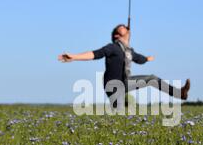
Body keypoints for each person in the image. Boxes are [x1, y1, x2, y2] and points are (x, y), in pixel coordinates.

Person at [58, 24, 191, 107]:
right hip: (113, 85)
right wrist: (74, 56)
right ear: (117, 35)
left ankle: (180, 93)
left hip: (126, 82)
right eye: (123, 28)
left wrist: (148, 59)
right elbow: (94, 54)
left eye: (126, 28)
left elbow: (139, 59)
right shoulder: (112, 47)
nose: (126, 28)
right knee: (118, 115)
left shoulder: (129, 51)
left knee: (152, 79)